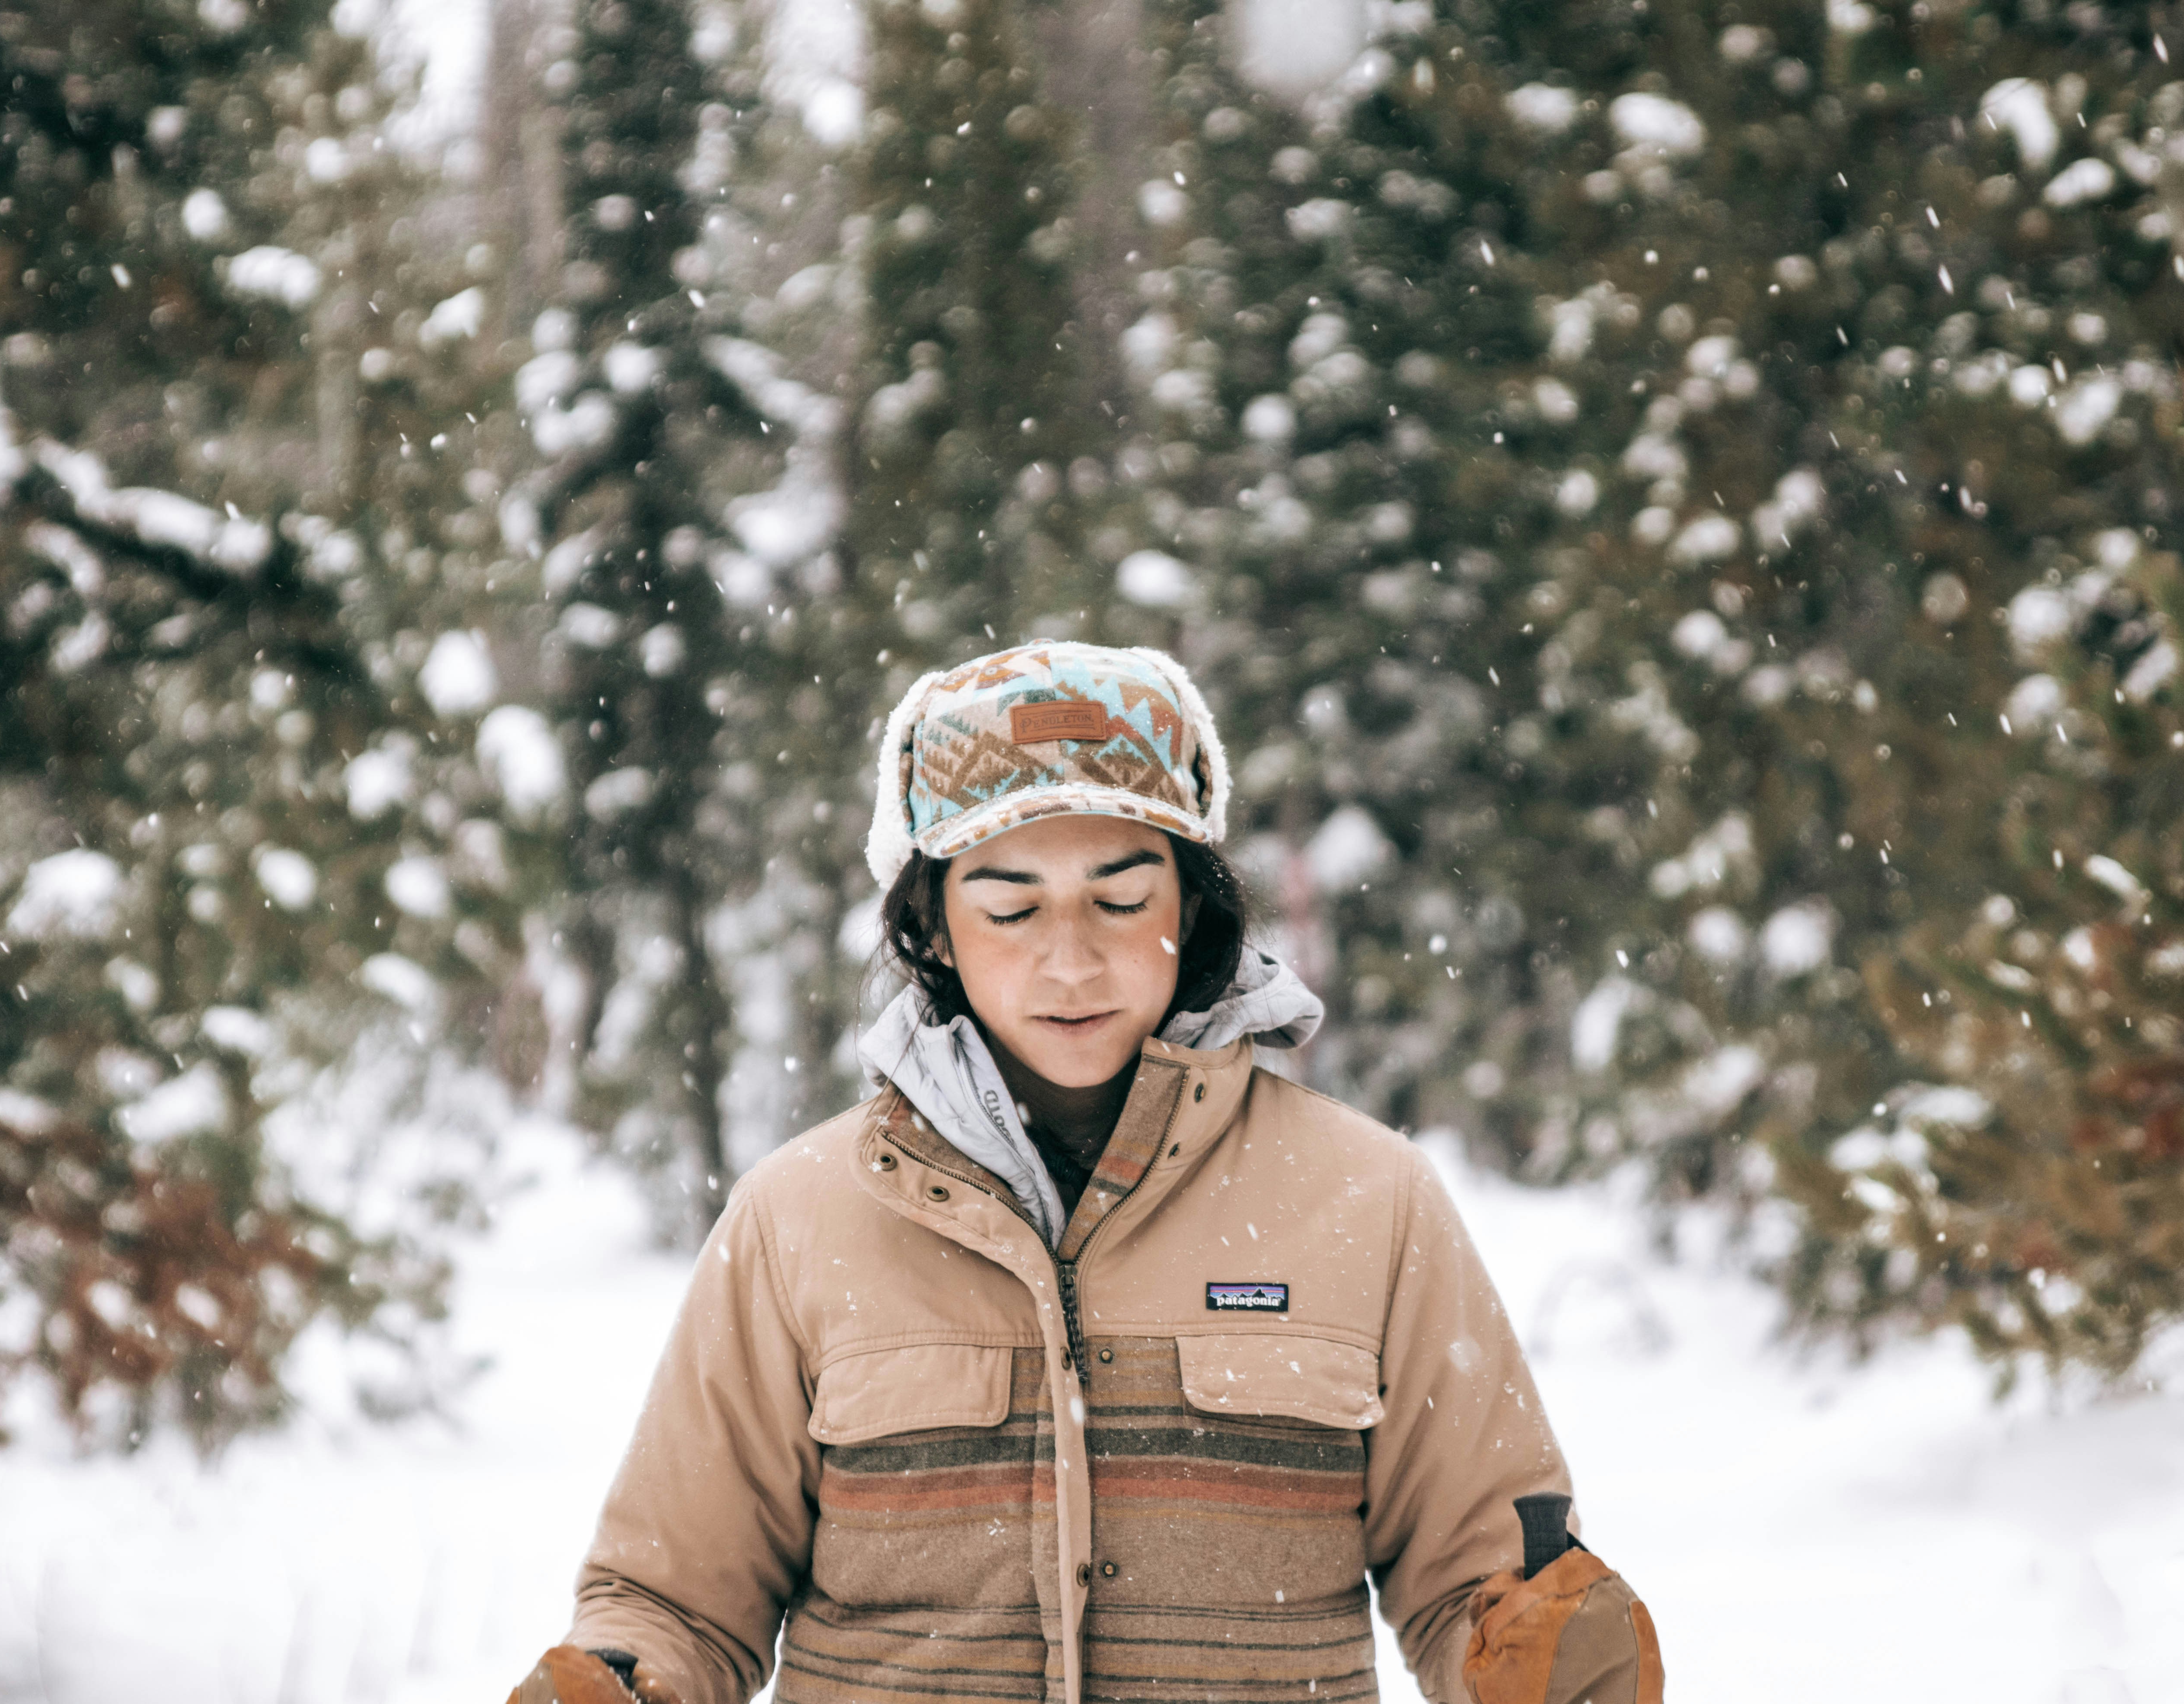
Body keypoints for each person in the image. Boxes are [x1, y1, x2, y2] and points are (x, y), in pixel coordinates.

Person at [510, 642, 1661, 1704]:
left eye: (1120, 899)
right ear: (935, 930)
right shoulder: (799, 1221)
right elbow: (674, 1600)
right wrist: (624, 1682)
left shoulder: (1372, 1203)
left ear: (1193, 911)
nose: (1072, 959)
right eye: (1012, 906)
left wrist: (1541, 1648)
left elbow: (1482, 1582)